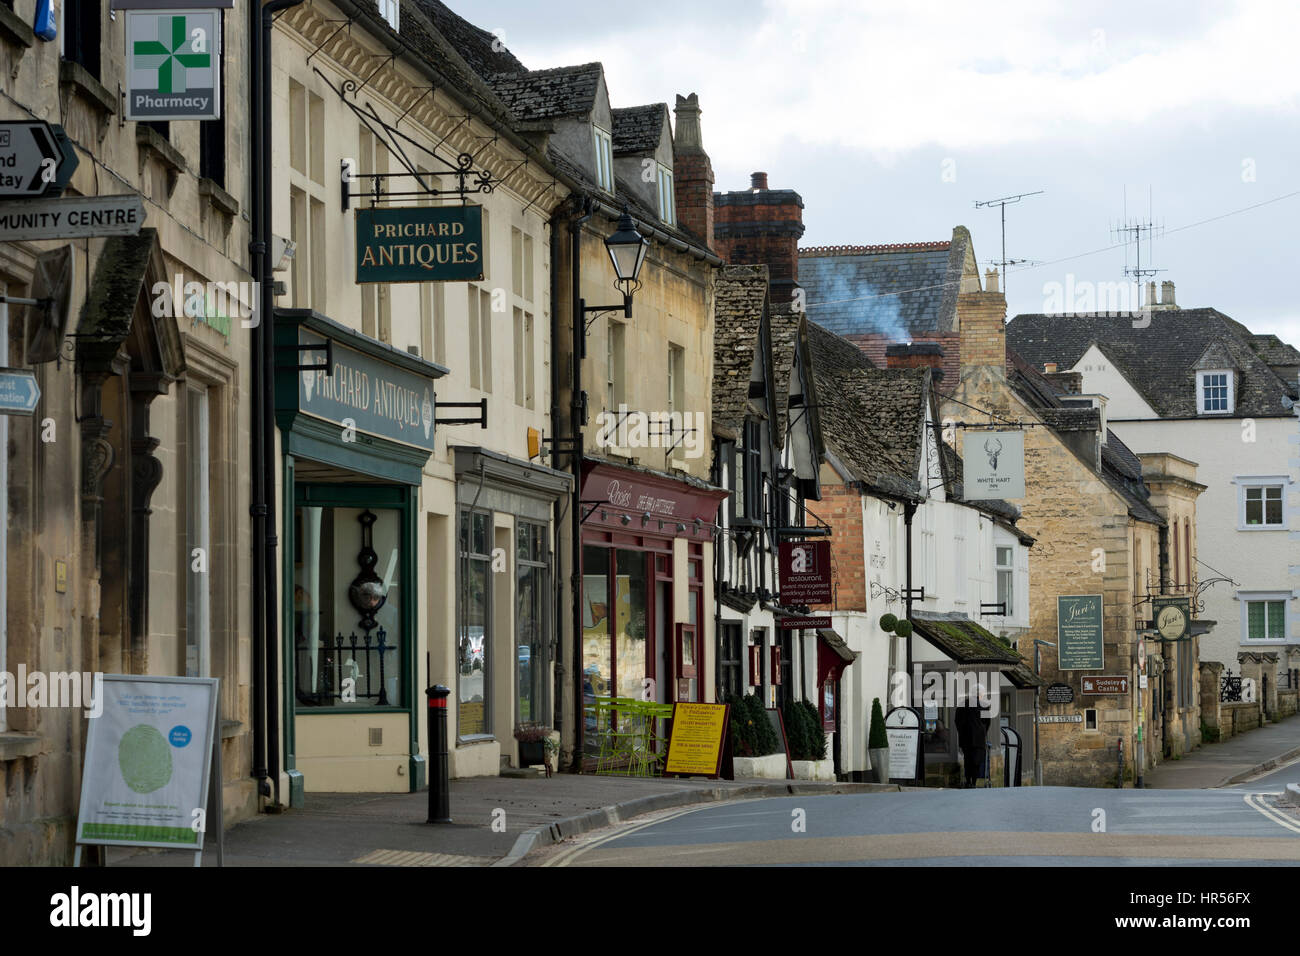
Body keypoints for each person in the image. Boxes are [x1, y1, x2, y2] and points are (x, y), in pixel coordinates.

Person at [954, 705, 989, 788]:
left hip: (966, 738)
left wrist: (961, 732)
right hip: (978, 739)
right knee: (976, 762)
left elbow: (957, 722)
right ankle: (973, 782)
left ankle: (968, 781)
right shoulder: (983, 706)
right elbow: (987, 723)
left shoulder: (961, 707)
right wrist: (983, 732)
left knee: (967, 760)